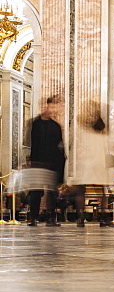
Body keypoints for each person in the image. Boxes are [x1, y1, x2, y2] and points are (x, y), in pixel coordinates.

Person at [26, 97, 65, 227]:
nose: (54, 110)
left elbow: (59, 147)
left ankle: (50, 217)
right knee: (35, 191)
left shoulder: (56, 126)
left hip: (51, 163)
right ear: (46, 106)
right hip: (37, 161)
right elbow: (31, 144)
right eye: (52, 106)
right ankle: (33, 217)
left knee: (51, 192)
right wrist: (30, 161)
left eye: (56, 107)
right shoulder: (34, 124)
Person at [73, 109, 114, 227]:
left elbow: (79, 151)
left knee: (81, 190)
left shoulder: (85, 135)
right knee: (103, 192)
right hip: (100, 166)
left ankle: (80, 217)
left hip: (87, 166)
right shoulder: (104, 137)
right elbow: (109, 153)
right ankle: (103, 217)